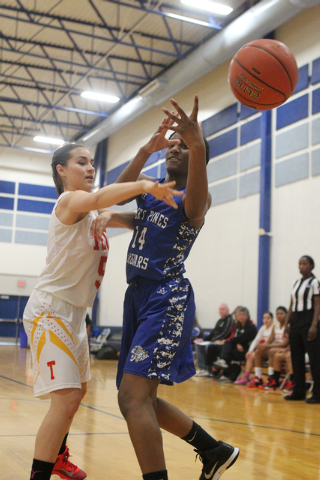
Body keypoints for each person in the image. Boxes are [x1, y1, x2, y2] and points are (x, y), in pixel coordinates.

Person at [22, 143, 181, 480]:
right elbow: (98, 199)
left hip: (76, 316)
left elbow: (127, 215)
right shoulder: (69, 201)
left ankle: (59, 455)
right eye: (82, 162)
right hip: (50, 310)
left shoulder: (93, 212)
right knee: (65, 400)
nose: (90, 168)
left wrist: (119, 211)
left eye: (93, 162)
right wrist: (144, 184)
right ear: (62, 170)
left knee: (74, 397)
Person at [115, 96, 239, 480]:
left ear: (197, 157)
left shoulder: (192, 197)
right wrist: (143, 151)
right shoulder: (154, 188)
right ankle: (213, 449)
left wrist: (197, 142)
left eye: (182, 148)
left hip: (165, 297)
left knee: (132, 400)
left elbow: (197, 210)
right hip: (136, 296)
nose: (174, 150)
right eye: (172, 145)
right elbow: (115, 196)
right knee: (138, 400)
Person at [283, 255, 320, 403]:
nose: (301, 266)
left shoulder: (315, 282)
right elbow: (291, 305)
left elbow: (318, 305)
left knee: (314, 359)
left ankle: (317, 394)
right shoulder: (295, 283)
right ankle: (298, 391)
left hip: (308, 319)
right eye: (299, 264)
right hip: (296, 320)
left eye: (304, 264)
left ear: (311, 266)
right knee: (296, 357)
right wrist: (286, 323)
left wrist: (314, 325)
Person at [213, 306, 257, 382]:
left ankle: (228, 373)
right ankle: (223, 372)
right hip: (238, 347)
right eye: (239, 315)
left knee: (229, 347)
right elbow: (237, 339)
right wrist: (237, 344)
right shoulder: (238, 326)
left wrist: (235, 342)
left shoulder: (251, 327)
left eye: (243, 314)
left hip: (246, 350)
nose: (241, 316)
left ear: (247, 315)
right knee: (222, 348)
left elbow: (242, 338)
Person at [234, 311, 274, 386]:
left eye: (268, 318)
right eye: (264, 318)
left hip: (270, 351)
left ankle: (259, 377)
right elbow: (256, 340)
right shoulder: (263, 328)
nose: (266, 320)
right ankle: (246, 376)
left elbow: (272, 342)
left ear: (272, 319)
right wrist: (249, 351)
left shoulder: (274, 328)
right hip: (262, 350)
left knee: (254, 354)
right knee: (250, 355)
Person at [194, 303, 234, 376]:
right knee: (198, 345)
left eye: (223, 309)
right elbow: (213, 333)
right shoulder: (219, 321)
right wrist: (203, 340)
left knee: (209, 346)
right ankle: (202, 368)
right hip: (214, 341)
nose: (221, 311)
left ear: (227, 310)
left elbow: (226, 333)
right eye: (220, 309)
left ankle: (209, 369)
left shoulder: (229, 320)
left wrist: (214, 340)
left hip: (222, 342)